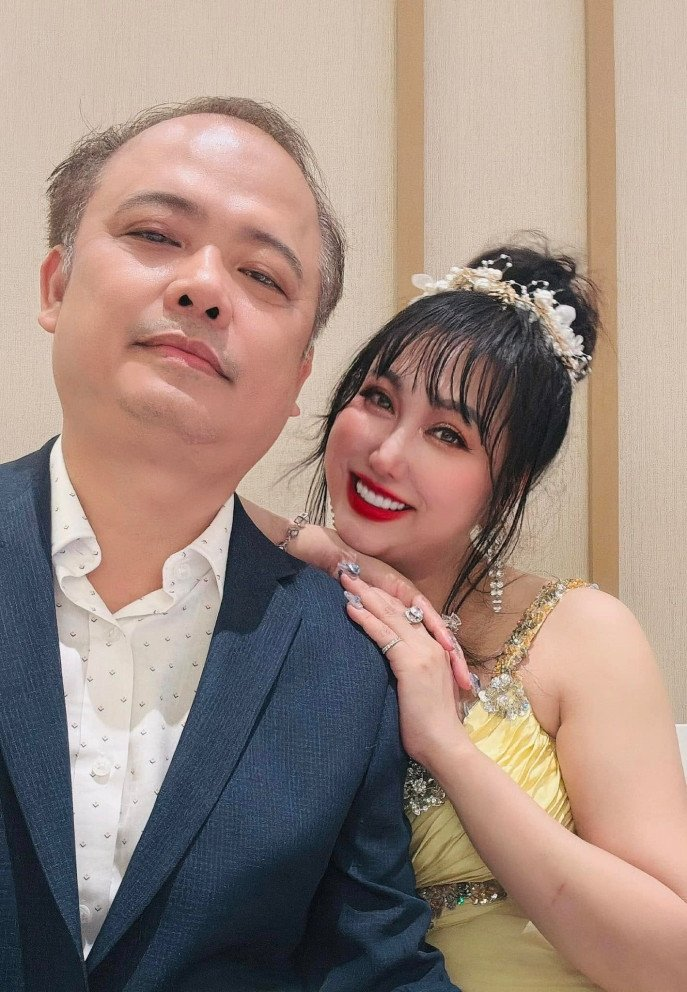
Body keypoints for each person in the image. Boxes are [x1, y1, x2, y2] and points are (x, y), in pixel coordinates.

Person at [0, 97, 462, 992]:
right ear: (56, 285)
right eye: (155, 234)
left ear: (298, 381)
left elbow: (374, 969)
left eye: (262, 275)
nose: (203, 287)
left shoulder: (345, 665)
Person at [247, 241, 687, 992]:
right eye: (377, 399)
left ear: (508, 482)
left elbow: (671, 962)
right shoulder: (274, 593)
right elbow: (139, 493)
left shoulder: (578, 633)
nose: (387, 454)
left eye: (447, 435)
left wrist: (446, 747)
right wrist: (313, 544)